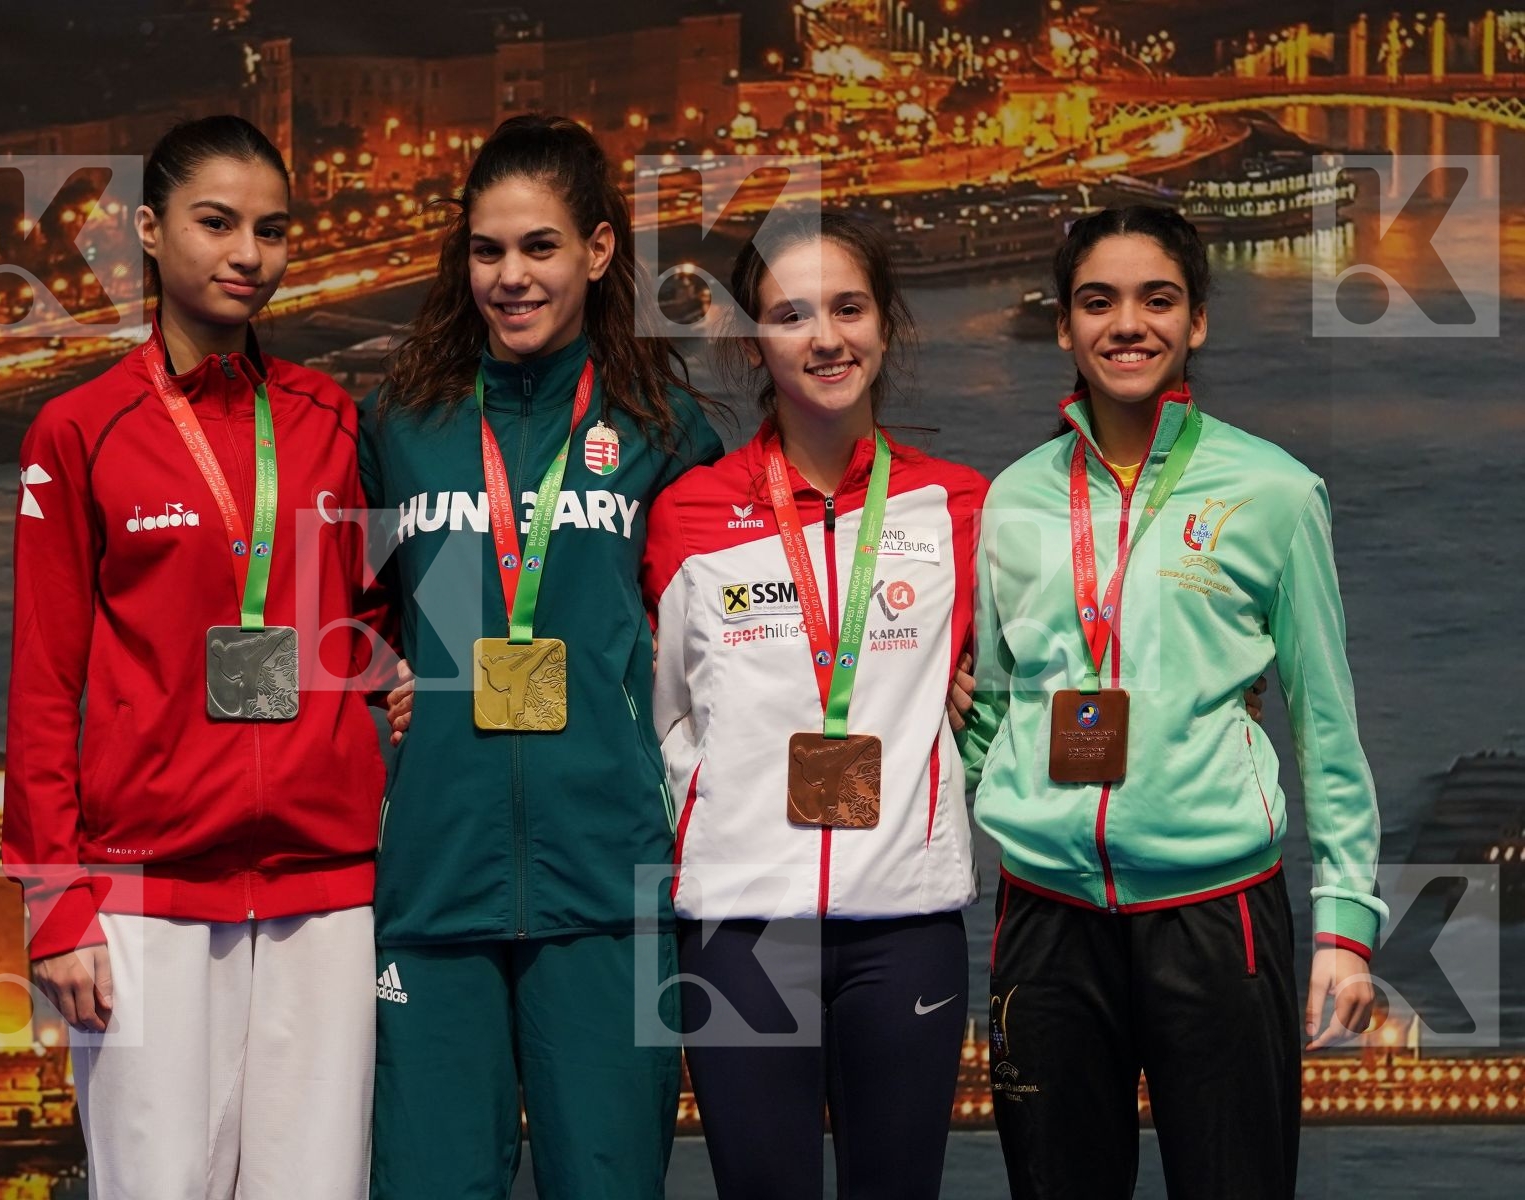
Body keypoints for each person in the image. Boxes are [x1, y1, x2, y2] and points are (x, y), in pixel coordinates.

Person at [962, 205, 1386, 1198]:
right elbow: (991, 709)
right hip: (1045, 921)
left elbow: (1325, 722)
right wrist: (1022, 802)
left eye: (1157, 300)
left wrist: (1343, 930)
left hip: (1214, 916)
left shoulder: (1273, 492)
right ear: (1064, 326)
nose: (1126, 324)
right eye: (1095, 301)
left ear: (1196, 321)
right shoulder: (1013, 499)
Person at [2, 114, 385, 1199]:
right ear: (147, 232)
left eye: (269, 230)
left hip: (324, 888)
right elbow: (43, 682)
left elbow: (376, 618)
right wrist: (54, 902)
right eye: (215, 223)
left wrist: (396, 686)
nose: (246, 254)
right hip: (141, 898)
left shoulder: (330, 419)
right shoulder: (81, 430)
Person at [360, 113, 722, 1199]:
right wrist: (384, 675)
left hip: (607, 883)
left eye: (538, 247)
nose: (509, 276)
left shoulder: (662, 428)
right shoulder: (403, 423)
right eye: (486, 250)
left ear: (599, 252)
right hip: (432, 883)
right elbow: (349, 601)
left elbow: (734, 634)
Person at [639, 211, 987, 1199]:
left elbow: (1025, 670)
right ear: (754, 340)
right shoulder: (688, 514)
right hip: (739, 930)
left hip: (904, 921)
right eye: (790, 315)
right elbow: (662, 707)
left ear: (885, 324)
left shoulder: (960, 506)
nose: (824, 337)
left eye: (848, 308)